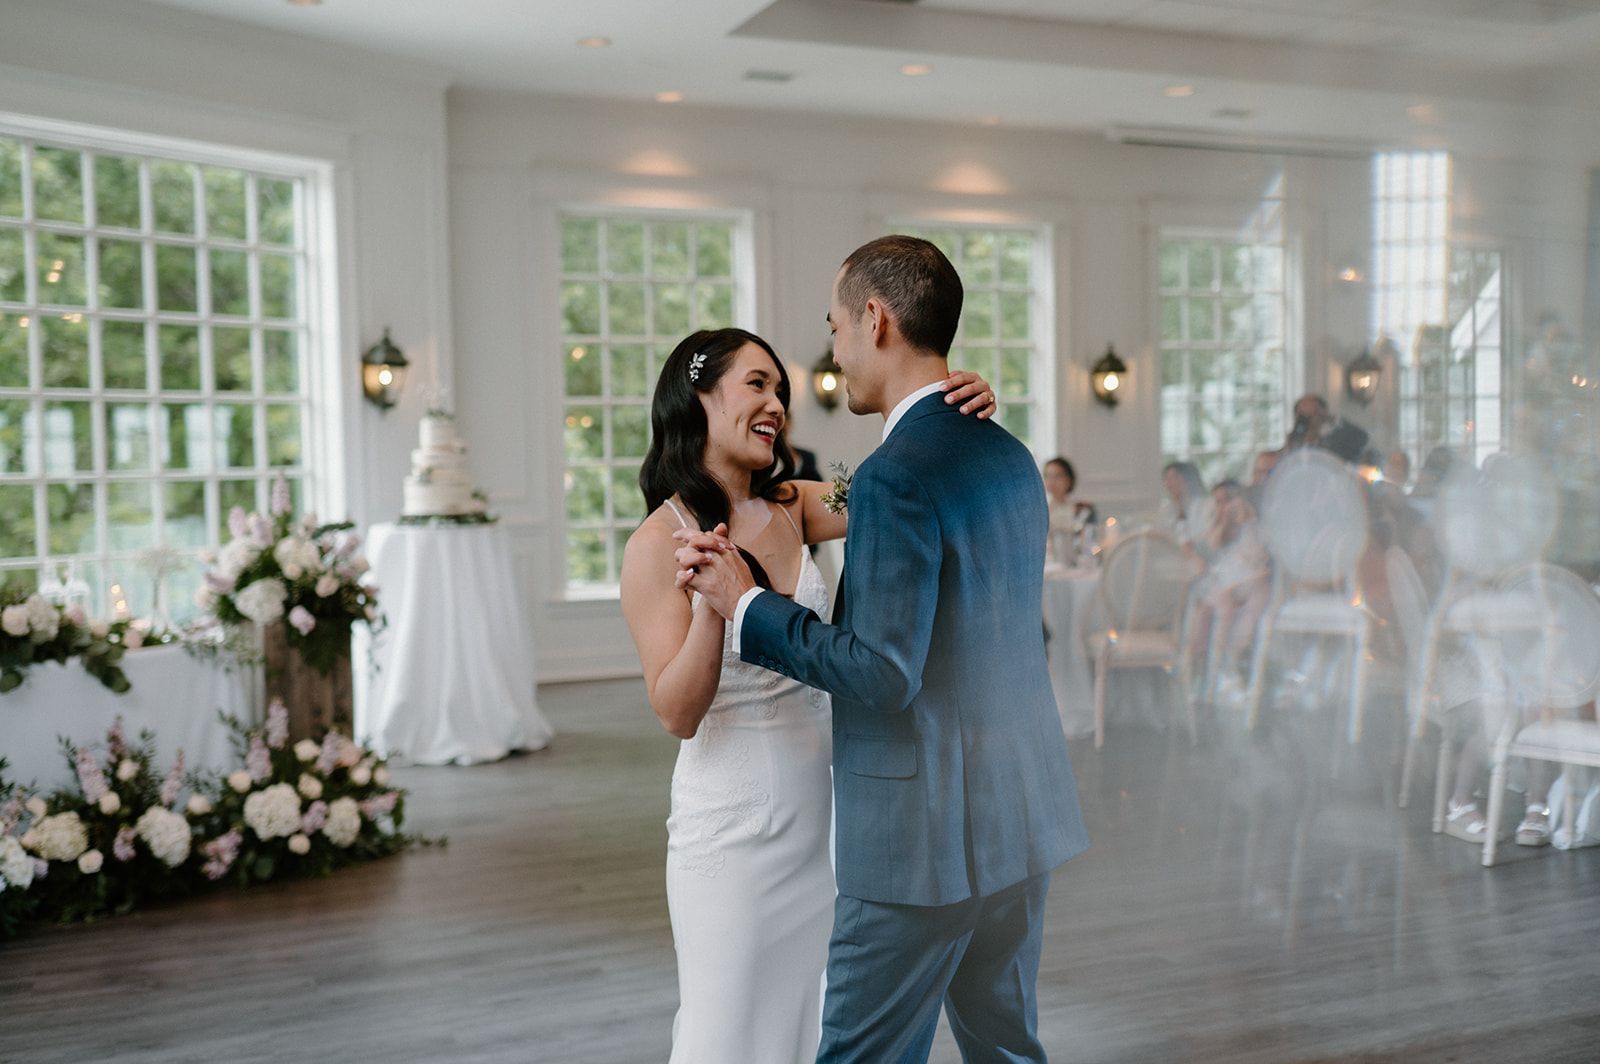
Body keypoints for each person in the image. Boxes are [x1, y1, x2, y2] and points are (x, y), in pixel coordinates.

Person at [676, 236, 1087, 1063]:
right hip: (1020, 818)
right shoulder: (1006, 454)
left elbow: (881, 671)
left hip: (918, 841)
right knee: (1006, 1047)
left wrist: (745, 604)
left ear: (875, 318)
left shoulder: (897, 473)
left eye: (834, 329)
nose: (831, 356)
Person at [619, 325, 997, 1064]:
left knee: (819, 1018)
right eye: (757, 384)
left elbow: (912, 485)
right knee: (727, 1027)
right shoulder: (654, 544)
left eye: (782, 393)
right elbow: (677, 713)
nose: (777, 406)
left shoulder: (795, 503)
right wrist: (712, 602)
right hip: (732, 834)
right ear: (697, 394)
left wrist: (956, 418)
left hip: (830, 816)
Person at [1043, 456, 1094, 567]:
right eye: (1047, 476)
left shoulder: (1082, 509)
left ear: (1069, 479)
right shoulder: (1041, 510)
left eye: (1057, 476)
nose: (1051, 482)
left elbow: (1088, 542)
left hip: (1078, 563)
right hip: (1050, 564)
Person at [1162, 460, 1214, 558]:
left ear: (1189, 480)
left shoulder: (1207, 505)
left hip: (1203, 558)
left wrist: (1191, 545)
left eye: (1175, 478)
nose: (1170, 483)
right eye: (1167, 479)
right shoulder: (1166, 509)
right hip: (1173, 560)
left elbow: (1210, 535)